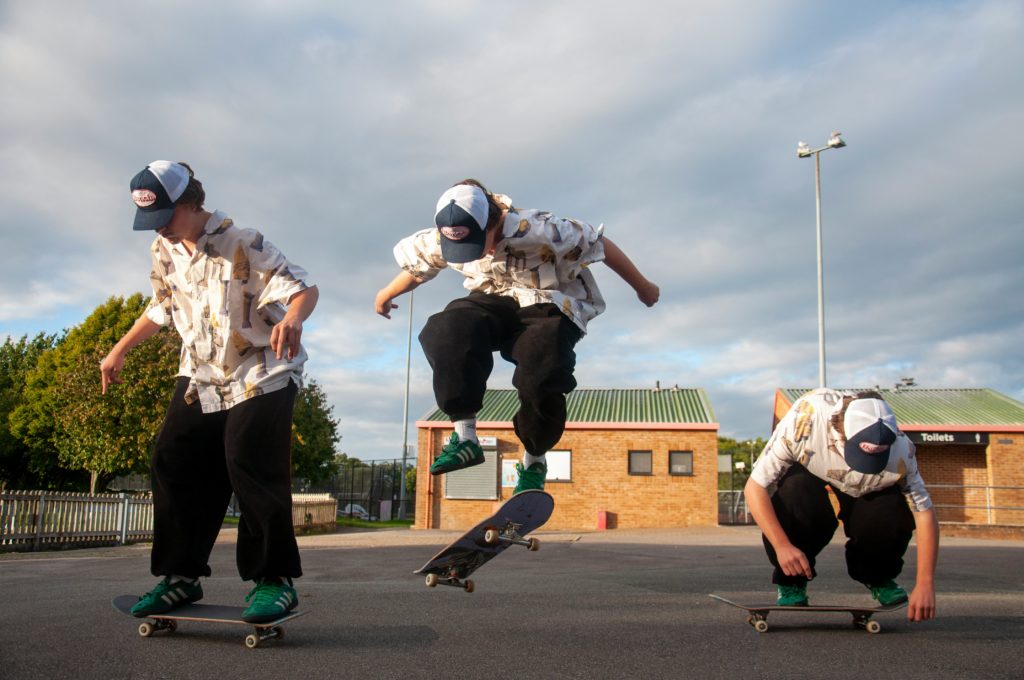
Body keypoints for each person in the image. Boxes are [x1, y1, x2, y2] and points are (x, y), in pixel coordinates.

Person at [101, 161, 319, 623]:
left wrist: (295, 318)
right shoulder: (163, 249)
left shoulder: (243, 241)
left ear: (190, 203)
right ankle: (180, 577)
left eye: (165, 214)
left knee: (248, 460)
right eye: (151, 218)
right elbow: (161, 307)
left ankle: (274, 580)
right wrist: (119, 349)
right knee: (173, 458)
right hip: (201, 372)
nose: (158, 227)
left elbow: (302, 288)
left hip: (262, 369)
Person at [375, 179, 659, 494]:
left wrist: (642, 286)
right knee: (445, 328)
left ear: (494, 223)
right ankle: (465, 436)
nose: (478, 253)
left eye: (480, 244)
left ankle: (534, 460)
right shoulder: (442, 239)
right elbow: (418, 268)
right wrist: (386, 293)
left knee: (542, 364)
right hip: (494, 300)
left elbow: (602, 247)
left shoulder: (543, 229)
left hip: (548, 302)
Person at [744, 388, 938, 622]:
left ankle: (878, 576)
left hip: (867, 486)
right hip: (812, 469)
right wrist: (782, 545)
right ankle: (791, 581)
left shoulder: (903, 451)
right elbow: (754, 488)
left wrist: (925, 583)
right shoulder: (804, 422)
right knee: (795, 490)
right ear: (840, 429)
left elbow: (925, 514)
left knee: (892, 508)